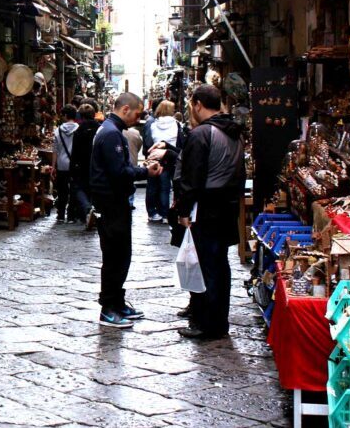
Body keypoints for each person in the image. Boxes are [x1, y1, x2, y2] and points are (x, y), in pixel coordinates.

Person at [174, 85, 245, 340]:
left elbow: (191, 178)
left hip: (206, 207)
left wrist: (183, 209)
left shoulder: (202, 134)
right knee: (220, 265)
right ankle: (217, 320)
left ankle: (207, 324)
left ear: (197, 104)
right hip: (227, 206)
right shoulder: (234, 131)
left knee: (206, 265)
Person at [87, 92, 161, 328]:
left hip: (113, 202)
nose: (138, 119)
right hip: (111, 203)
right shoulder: (111, 134)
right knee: (115, 256)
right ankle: (108, 308)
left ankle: (117, 302)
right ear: (126, 109)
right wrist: (145, 172)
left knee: (121, 254)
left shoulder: (111, 131)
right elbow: (118, 172)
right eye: (137, 113)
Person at [144, 100, 181, 223]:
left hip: (154, 157)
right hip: (170, 157)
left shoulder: (153, 124)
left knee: (152, 187)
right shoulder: (176, 124)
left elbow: (148, 142)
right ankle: (165, 214)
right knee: (165, 187)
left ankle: (152, 212)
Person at [69, 102, 100, 227]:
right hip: (96, 164)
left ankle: (87, 210)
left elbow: (75, 151)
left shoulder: (79, 131)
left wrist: (72, 168)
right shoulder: (100, 129)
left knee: (79, 189)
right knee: (94, 189)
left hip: (81, 165)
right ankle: (93, 212)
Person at [51, 105, 79, 223]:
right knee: (74, 190)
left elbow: (55, 150)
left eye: (62, 115)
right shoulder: (79, 129)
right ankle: (71, 216)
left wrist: (53, 166)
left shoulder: (58, 131)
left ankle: (61, 215)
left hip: (62, 164)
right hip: (75, 164)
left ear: (66, 116)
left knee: (62, 191)